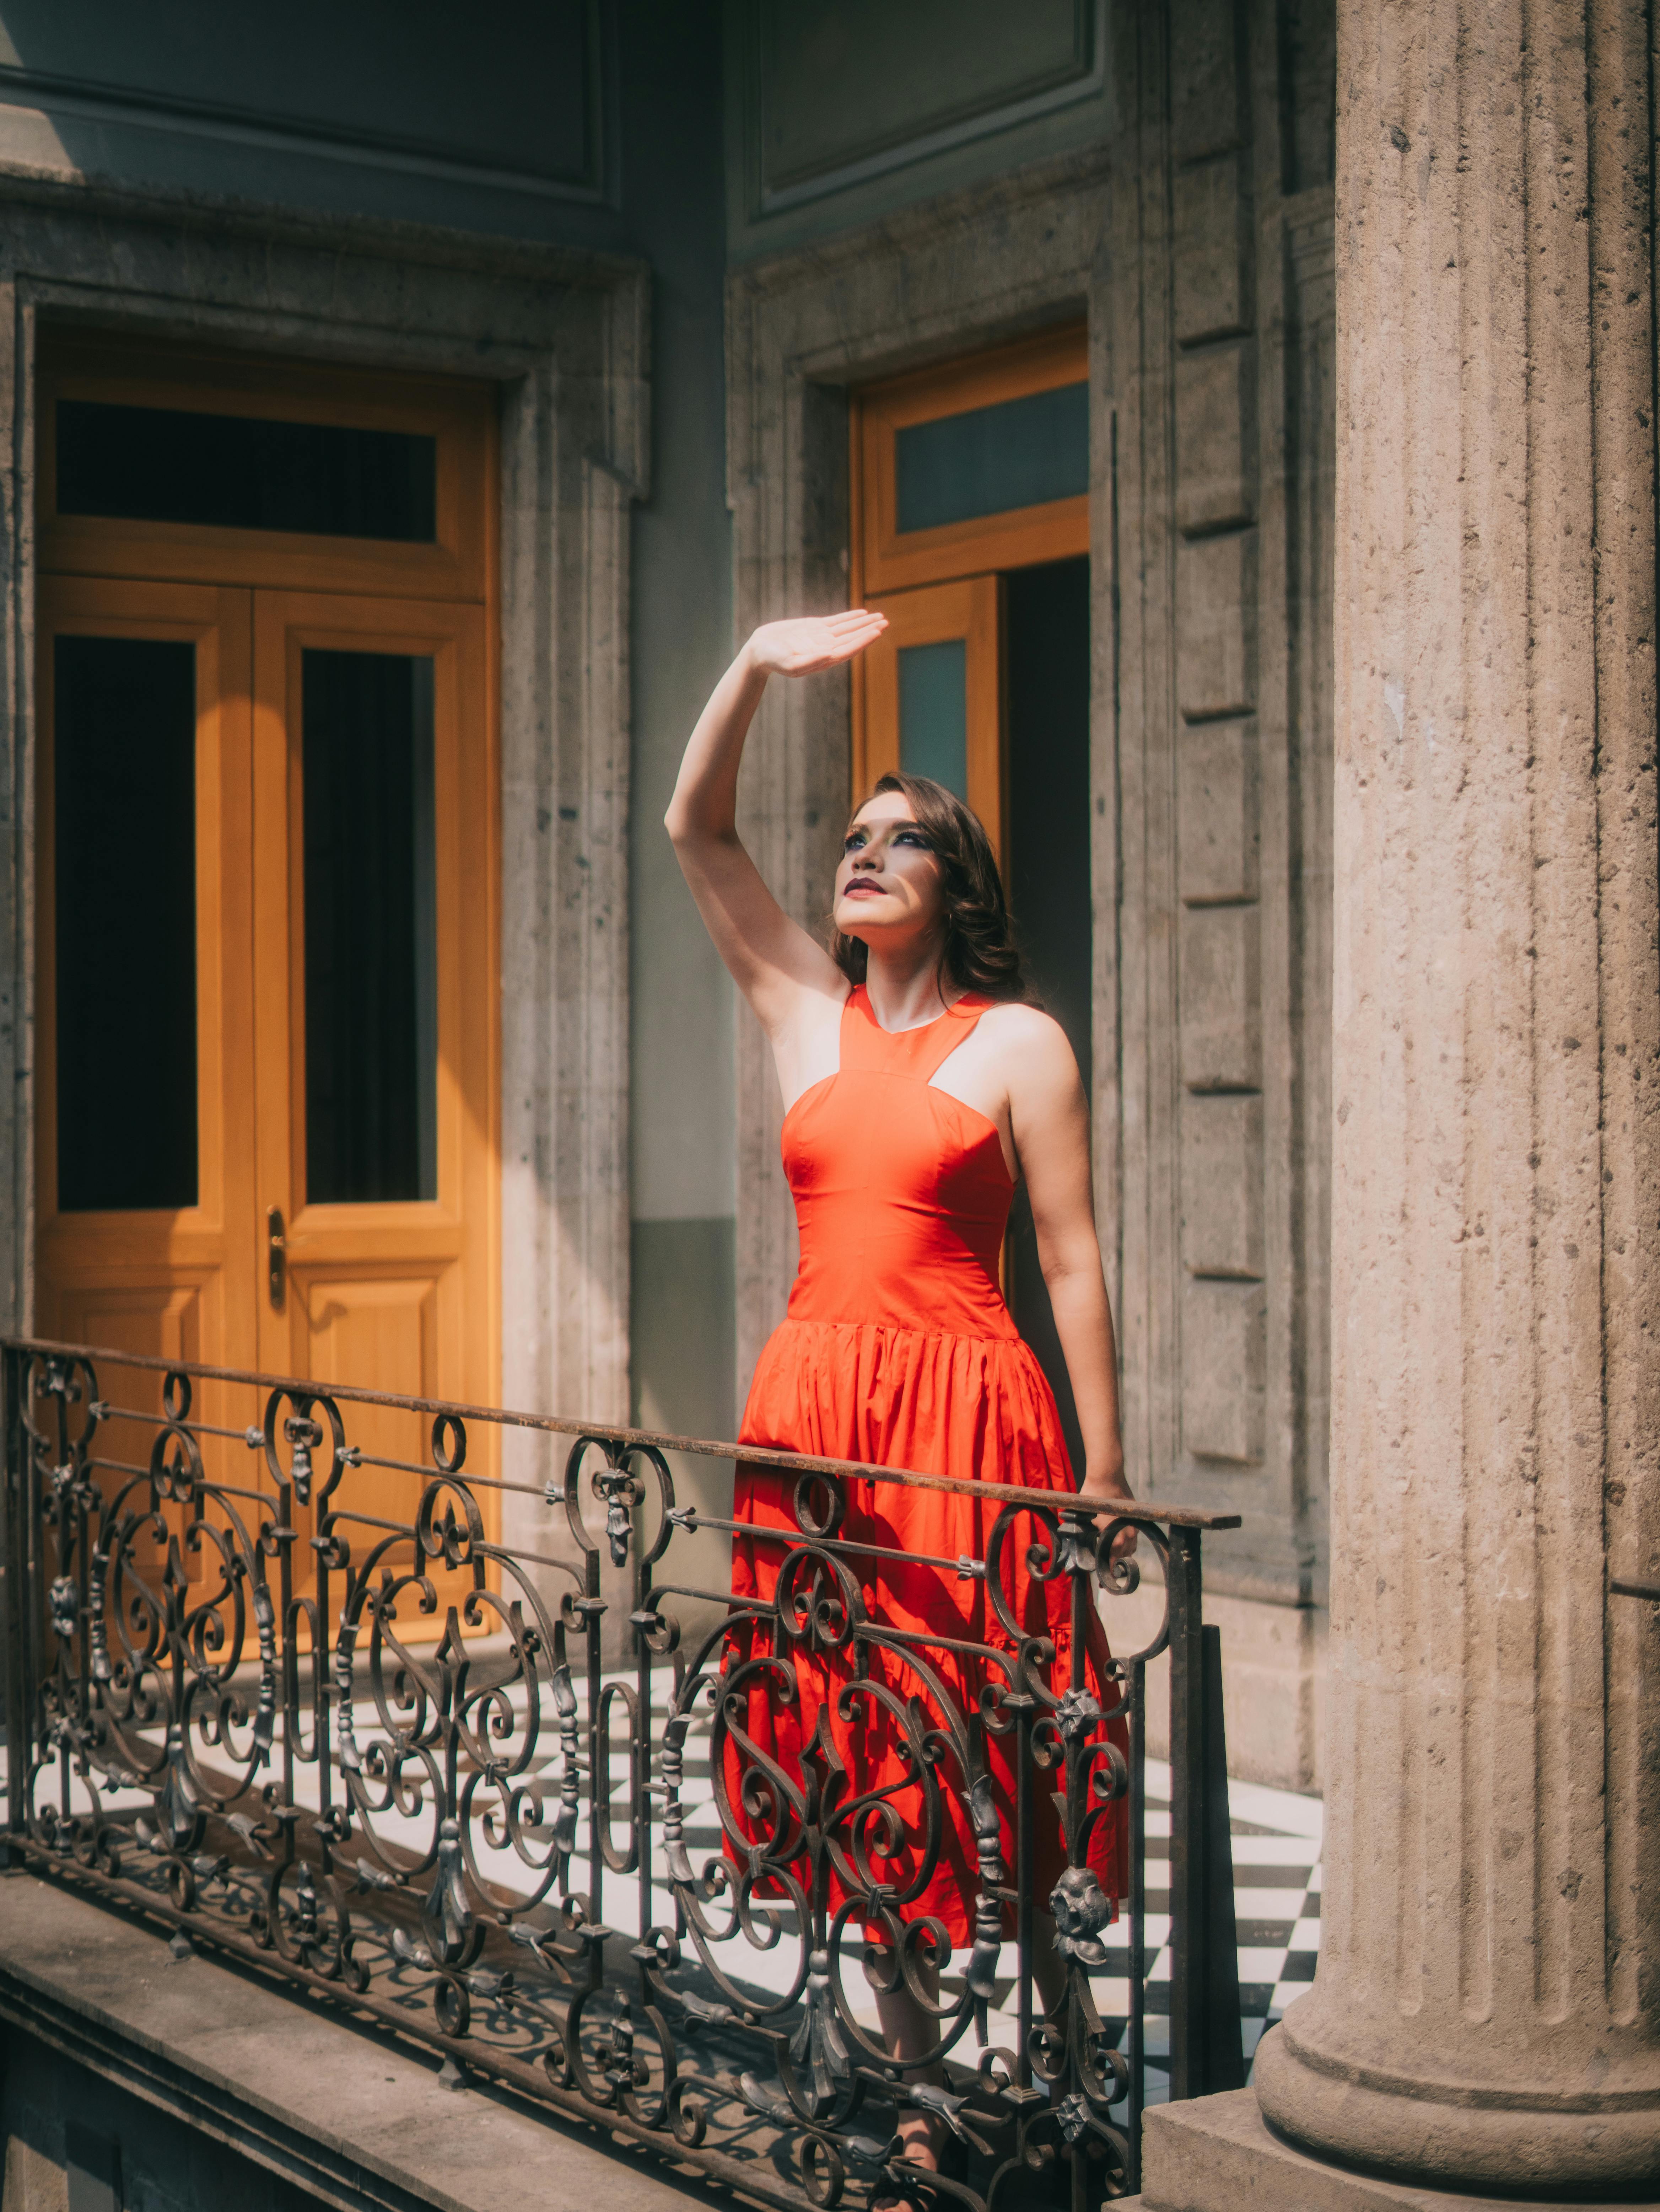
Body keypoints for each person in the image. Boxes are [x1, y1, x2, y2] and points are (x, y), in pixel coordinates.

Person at [666, 611, 1136, 2200]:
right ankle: (921, 2077)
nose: (862, 855)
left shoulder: (1018, 1041)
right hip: (817, 1420)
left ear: (957, 885)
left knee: (997, 1733)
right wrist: (750, 664)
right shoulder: (807, 1010)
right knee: (862, 1740)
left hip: (969, 1417)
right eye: (853, 838)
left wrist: (1108, 1467)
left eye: (902, 841)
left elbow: (1070, 1263)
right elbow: (696, 826)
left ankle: (1066, 2049)